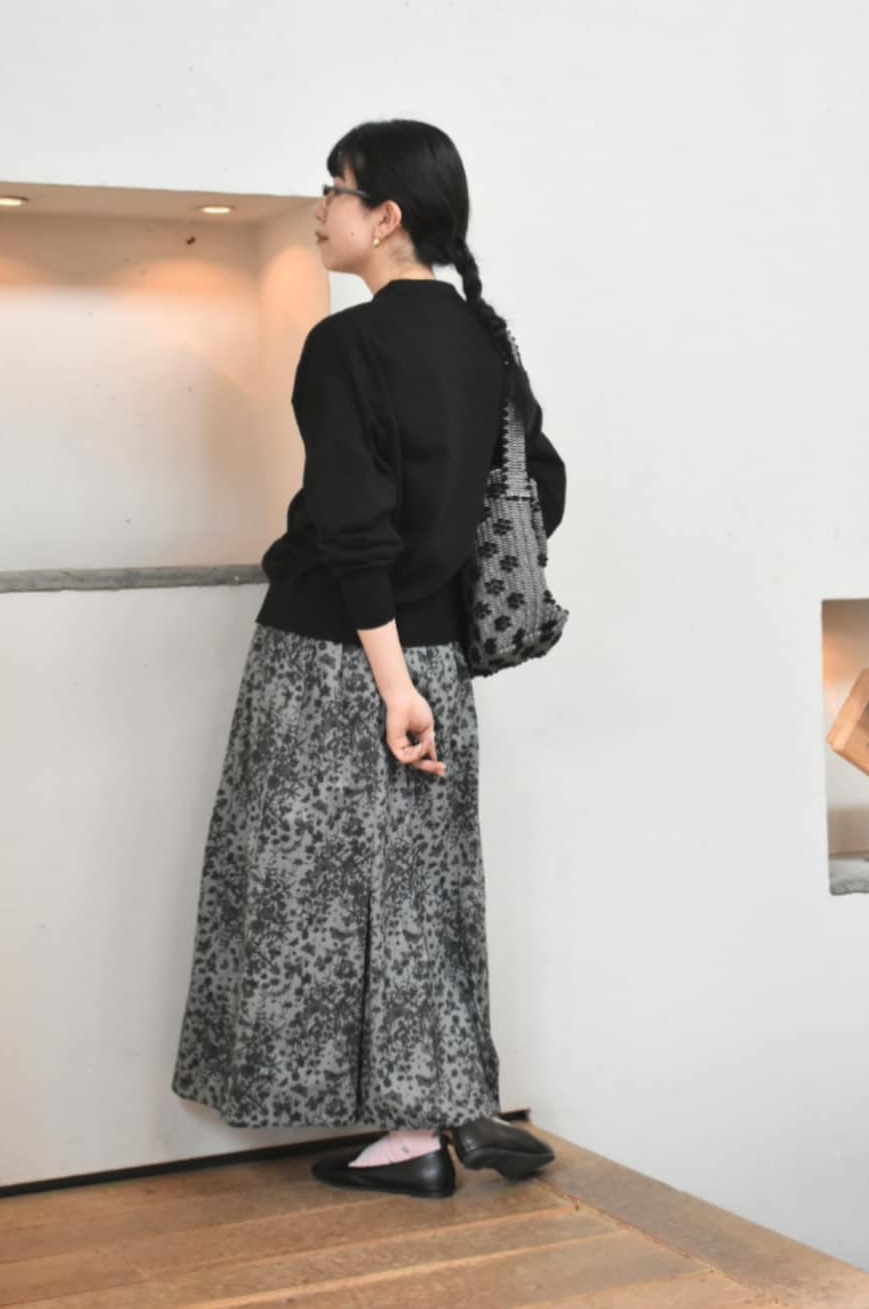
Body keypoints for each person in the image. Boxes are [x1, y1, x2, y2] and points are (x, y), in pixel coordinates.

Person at [171, 119, 567, 1199]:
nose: (319, 209)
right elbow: (542, 489)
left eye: (334, 189)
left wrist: (389, 685)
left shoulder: (346, 344)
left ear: (385, 216)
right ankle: (428, 1113)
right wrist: (425, 652)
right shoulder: (486, 341)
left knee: (301, 896)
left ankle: (417, 1126)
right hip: (436, 663)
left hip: (334, 662)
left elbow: (353, 529)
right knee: (418, 894)